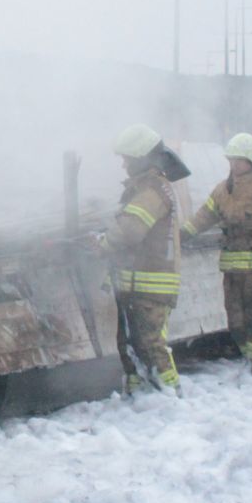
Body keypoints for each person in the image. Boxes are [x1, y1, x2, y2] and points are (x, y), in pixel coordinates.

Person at [182, 133, 252, 376]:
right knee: (236, 323)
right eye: (231, 159)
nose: (234, 165)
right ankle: (251, 360)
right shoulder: (222, 190)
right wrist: (180, 236)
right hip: (232, 271)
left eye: (239, 160)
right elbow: (203, 218)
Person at [102, 123, 187, 394]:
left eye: (127, 158)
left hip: (151, 284)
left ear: (141, 158)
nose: (124, 165)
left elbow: (130, 231)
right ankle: (141, 395)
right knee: (130, 344)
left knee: (151, 345)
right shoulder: (146, 187)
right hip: (138, 282)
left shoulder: (152, 190)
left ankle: (171, 395)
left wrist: (101, 243)